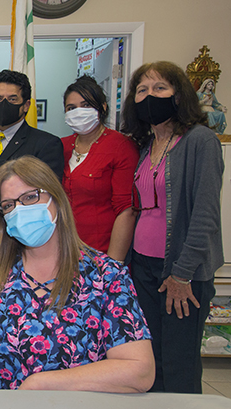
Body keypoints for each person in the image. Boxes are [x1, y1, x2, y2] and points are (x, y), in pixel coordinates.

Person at [0, 156, 155, 392]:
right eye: (8, 205)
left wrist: (43, 383)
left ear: (56, 198)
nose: (19, 210)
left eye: (29, 197)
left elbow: (140, 371)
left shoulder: (105, 275)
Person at [121, 61, 224, 393]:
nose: (150, 96)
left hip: (180, 271)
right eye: (142, 90)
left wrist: (181, 274)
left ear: (179, 96)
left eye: (160, 88)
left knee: (179, 364)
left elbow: (206, 215)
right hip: (144, 267)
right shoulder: (146, 145)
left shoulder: (200, 141)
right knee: (151, 361)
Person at [61, 76, 138, 262]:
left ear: (102, 107)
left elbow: (126, 210)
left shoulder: (121, 146)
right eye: (71, 108)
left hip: (102, 253)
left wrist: (113, 266)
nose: (78, 112)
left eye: (86, 105)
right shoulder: (61, 146)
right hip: (64, 251)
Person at [0, 69, 64, 180]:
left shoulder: (46, 145)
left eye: (12, 99)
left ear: (26, 105)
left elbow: (47, 191)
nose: (4, 104)